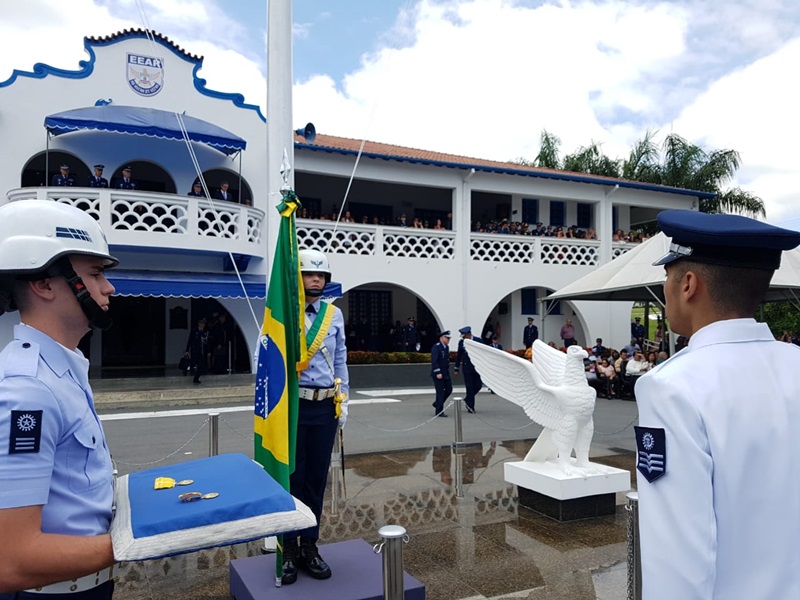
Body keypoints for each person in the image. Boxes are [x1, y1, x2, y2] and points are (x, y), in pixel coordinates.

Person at [634, 209, 800, 599]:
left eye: (668, 277)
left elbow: (677, 560)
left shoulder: (671, 388)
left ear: (688, 284)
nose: (665, 289)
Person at [0, 200, 118, 597]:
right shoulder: (27, 390)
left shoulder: (60, 368)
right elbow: (11, 561)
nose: (109, 287)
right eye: (96, 274)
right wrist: (139, 541)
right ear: (45, 284)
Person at [281, 249, 349, 586]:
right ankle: (288, 549)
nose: (317, 279)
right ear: (299, 278)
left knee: (316, 481)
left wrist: (344, 399)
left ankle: (310, 545)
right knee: (292, 479)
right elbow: (266, 357)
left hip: (324, 408)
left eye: (321, 275)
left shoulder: (333, 314)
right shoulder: (283, 312)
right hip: (294, 407)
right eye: (310, 274)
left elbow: (340, 360)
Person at [453, 326, 482, 413]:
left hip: (477, 367)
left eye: (464, 336)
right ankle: (471, 407)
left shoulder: (478, 340)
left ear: (468, 334)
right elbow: (459, 355)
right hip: (467, 368)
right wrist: (456, 368)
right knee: (469, 387)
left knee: (478, 385)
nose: (463, 338)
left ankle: (467, 399)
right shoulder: (461, 342)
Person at [430, 330, 452, 417]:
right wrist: (438, 372)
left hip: (445, 373)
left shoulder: (446, 347)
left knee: (449, 389)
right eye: (447, 338)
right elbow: (434, 361)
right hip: (438, 373)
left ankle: (437, 403)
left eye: (449, 338)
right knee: (440, 392)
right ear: (442, 338)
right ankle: (439, 411)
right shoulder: (437, 347)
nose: (448, 340)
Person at [184, 317, 211, 384]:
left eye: (203, 324)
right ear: (198, 324)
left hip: (202, 351)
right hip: (195, 350)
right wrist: (187, 350)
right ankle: (185, 370)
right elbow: (190, 341)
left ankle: (196, 378)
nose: (202, 325)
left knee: (201, 365)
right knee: (193, 363)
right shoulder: (194, 331)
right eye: (201, 323)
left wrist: (208, 351)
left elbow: (207, 343)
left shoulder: (206, 332)